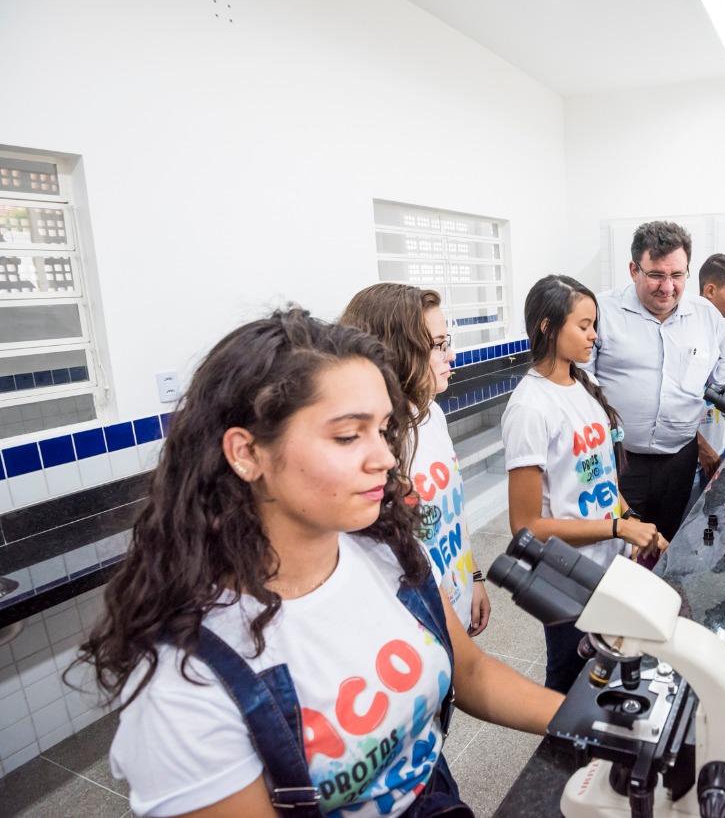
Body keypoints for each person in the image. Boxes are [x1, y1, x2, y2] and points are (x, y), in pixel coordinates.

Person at [80, 308, 559, 817]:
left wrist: (590, 718)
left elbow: (472, 671)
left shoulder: (385, 550)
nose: (386, 460)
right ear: (247, 453)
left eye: (384, 430)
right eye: (349, 436)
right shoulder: (186, 687)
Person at [502, 275, 666, 693]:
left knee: (604, 676)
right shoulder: (530, 407)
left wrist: (631, 520)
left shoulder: (582, 389)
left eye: (595, 325)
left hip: (607, 567)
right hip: (567, 577)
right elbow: (526, 528)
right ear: (547, 326)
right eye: (584, 325)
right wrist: (618, 528)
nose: (594, 335)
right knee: (569, 682)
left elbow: (601, 482)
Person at [340, 283, 489, 636]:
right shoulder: (374, 444)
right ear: (395, 351)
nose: (451, 355)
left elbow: (451, 516)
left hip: (456, 601)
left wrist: (473, 575)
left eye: (446, 341)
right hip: (415, 626)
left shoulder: (431, 414)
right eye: (437, 346)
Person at [590, 222, 725, 542]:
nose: (668, 287)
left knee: (671, 546)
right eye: (656, 275)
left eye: (677, 276)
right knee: (619, 549)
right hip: (618, 464)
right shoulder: (601, 310)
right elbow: (580, 386)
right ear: (634, 269)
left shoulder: (706, 316)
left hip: (679, 463)